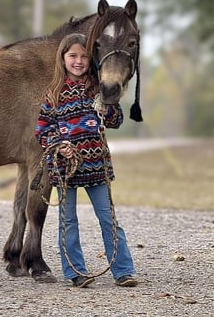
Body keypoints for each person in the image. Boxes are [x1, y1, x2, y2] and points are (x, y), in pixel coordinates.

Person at [34, 33, 138, 288]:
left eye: (83, 56)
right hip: (65, 169)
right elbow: (42, 129)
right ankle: (75, 272)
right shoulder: (54, 94)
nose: (79, 61)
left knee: (108, 219)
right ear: (63, 58)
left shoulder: (98, 88)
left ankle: (123, 270)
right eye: (73, 56)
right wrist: (59, 145)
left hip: (96, 167)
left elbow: (115, 121)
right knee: (68, 222)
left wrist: (109, 106)